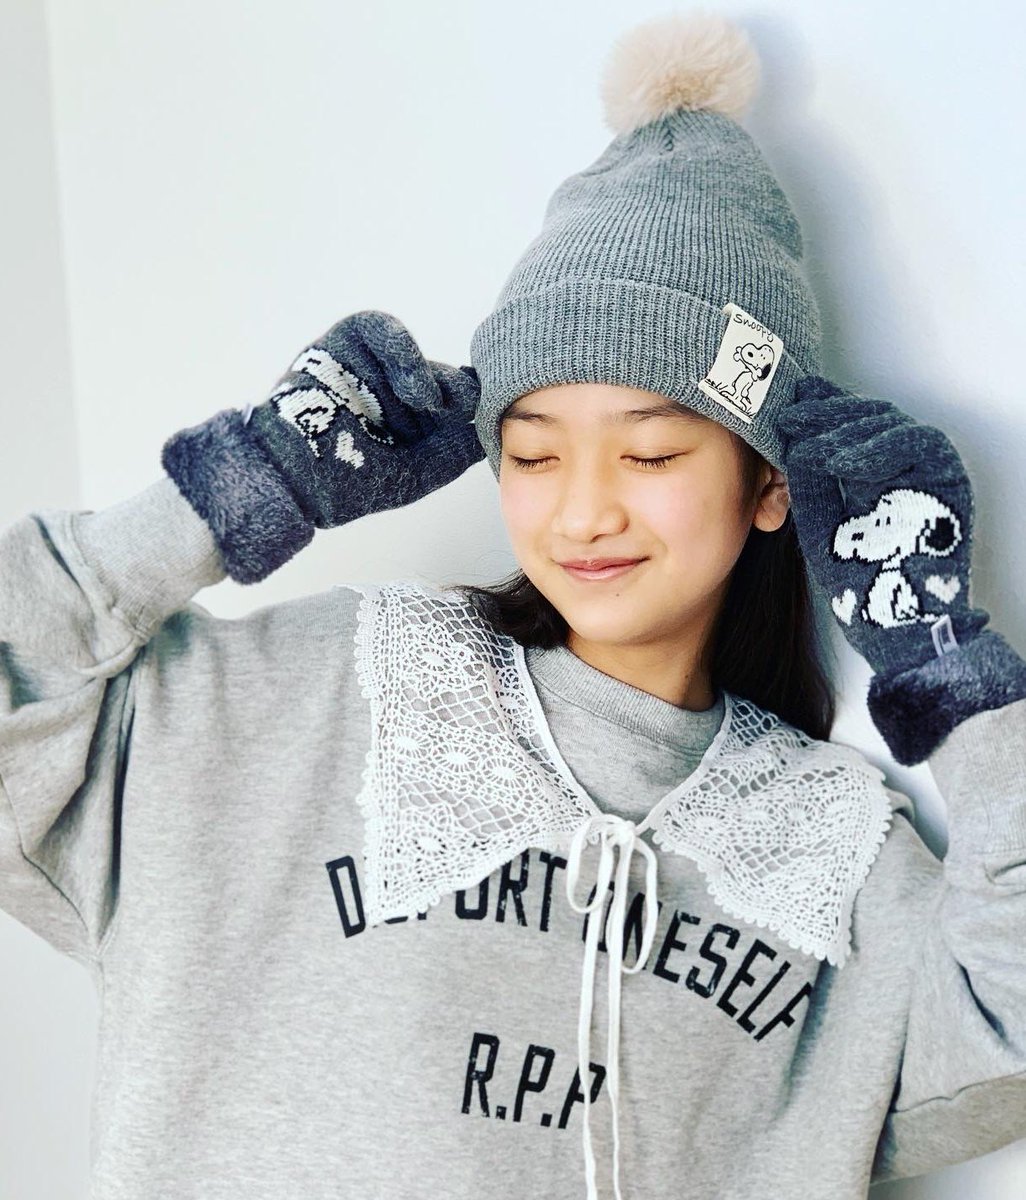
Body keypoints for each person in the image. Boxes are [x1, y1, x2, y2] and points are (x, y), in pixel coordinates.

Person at [2, 10, 1025, 1200]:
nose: (581, 513)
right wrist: (241, 488)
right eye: (533, 455)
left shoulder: (830, 847)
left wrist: (945, 665)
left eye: (650, 453)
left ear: (769, 485)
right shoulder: (306, 698)